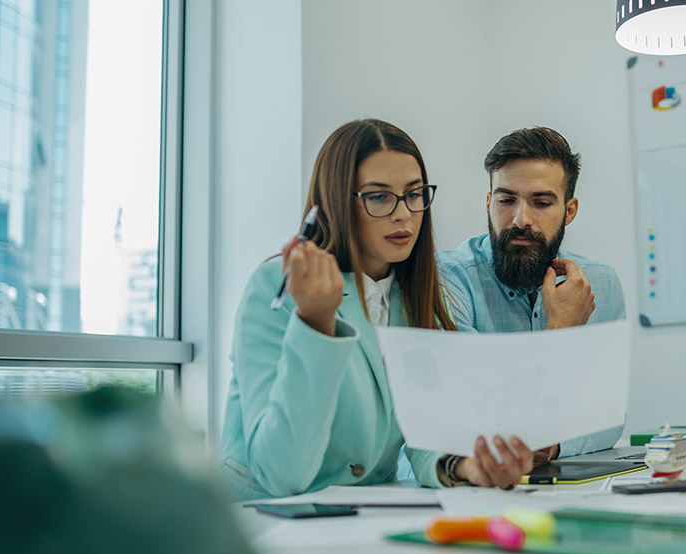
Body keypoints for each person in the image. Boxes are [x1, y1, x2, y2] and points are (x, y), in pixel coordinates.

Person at [219, 119, 533, 501]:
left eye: (414, 194)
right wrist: (315, 324)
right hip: (266, 522)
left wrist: (465, 466)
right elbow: (281, 473)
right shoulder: (277, 287)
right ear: (336, 201)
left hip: (365, 517)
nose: (404, 214)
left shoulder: (422, 297)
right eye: (379, 197)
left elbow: (427, 428)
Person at [437, 127, 626, 463]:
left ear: (569, 211)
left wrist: (553, 446)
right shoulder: (447, 279)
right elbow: (471, 415)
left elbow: (607, 418)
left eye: (541, 202)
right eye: (506, 200)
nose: (521, 219)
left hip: (556, 487)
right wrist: (563, 328)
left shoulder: (601, 284)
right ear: (488, 203)